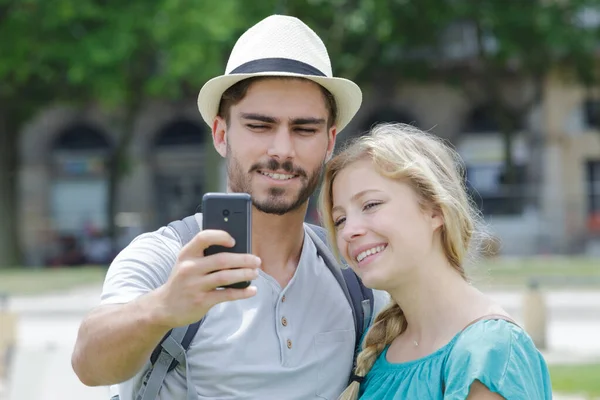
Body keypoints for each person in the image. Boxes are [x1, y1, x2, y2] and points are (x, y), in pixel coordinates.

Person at [71, 14, 389, 400]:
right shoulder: (166, 256)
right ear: (221, 134)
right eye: (259, 126)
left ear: (329, 141)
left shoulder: (353, 273)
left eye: (304, 129)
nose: (282, 150)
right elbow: (88, 363)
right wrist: (163, 308)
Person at [318, 123, 552, 400]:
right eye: (340, 219)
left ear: (435, 209)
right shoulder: (377, 345)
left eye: (370, 205)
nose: (349, 231)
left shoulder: (489, 353)